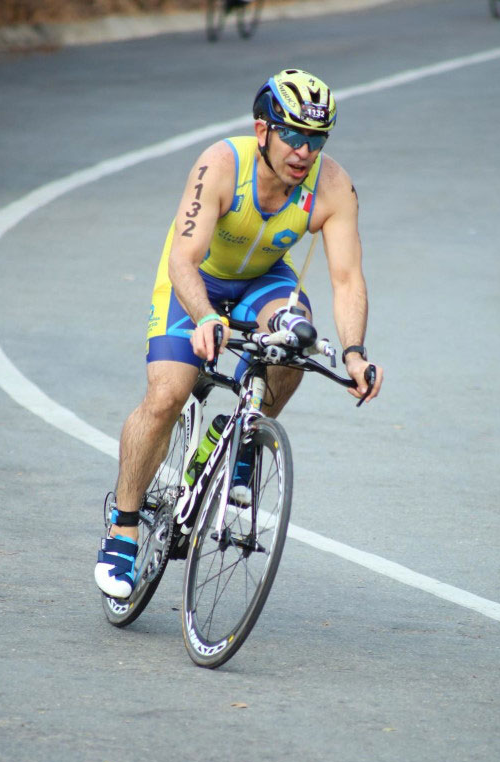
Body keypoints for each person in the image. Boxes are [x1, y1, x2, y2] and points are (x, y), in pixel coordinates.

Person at [95, 68, 383, 598]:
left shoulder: (333, 186)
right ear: (262, 130)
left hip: (263, 282)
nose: (303, 151)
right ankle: (124, 525)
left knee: (297, 341)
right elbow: (183, 257)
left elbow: (346, 278)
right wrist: (206, 317)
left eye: (315, 139)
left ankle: (245, 437)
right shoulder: (222, 165)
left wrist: (356, 353)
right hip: (196, 277)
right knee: (167, 394)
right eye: (292, 134)